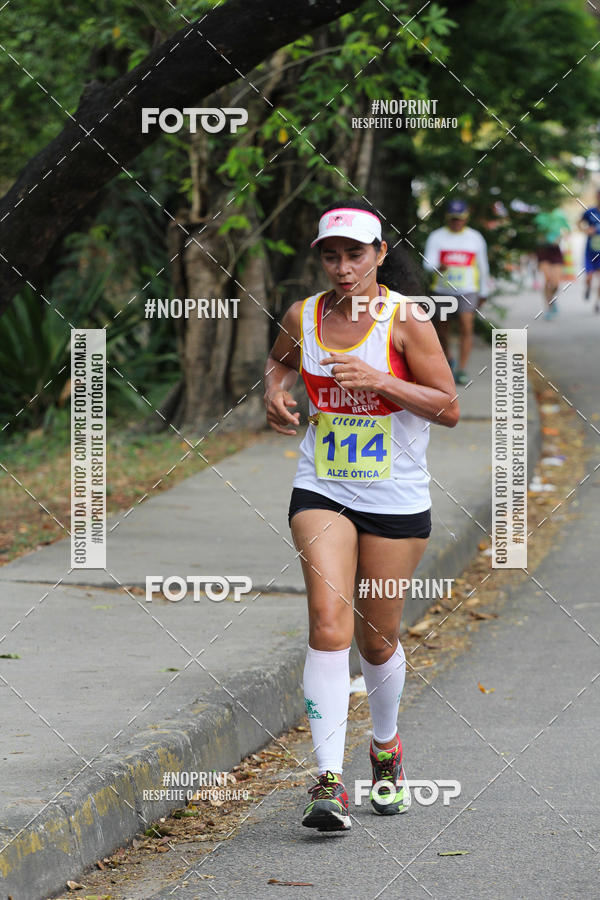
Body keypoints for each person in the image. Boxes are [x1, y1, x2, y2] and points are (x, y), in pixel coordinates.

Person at [263, 202, 459, 832]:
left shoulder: (407, 320)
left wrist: (381, 380)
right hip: (322, 488)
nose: (343, 268)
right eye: (331, 255)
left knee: (377, 640)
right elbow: (280, 359)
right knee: (327, 623)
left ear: (379, 254)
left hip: (396, 499)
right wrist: (275, 389)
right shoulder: (306, 315)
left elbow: (448, 407)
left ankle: (385, 749)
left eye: (356, 254)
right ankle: (327, 781)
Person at [423, 199, 490, 385]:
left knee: (466, 327)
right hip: (442, 291)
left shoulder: (475, 237)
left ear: (466, 218)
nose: (456, 222)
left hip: (467, 291)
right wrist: (437, 266)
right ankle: (449, 359)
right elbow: (427, 263)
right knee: (442, 332)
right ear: (447, 218)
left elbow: (483, 266)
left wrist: (484, 291)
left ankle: (461, 369)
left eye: (460, 218)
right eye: (453, 218)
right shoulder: (437, 237)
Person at [533, 207, 570, 319]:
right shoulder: (538, 216)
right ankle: (549, 306)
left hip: (555, 250)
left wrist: (560, 237)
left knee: (555, 282)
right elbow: (533, 232)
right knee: (548, 279)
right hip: (542, 250)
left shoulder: (559, 214)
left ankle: (552, 300)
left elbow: (567, 230)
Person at [579, 188, 600, 313]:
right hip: (590, 251)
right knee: (589, 277)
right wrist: (586, 231)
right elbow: (579, 223)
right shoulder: (590, 212)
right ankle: (587, 287)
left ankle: (597, 303)